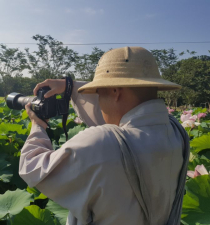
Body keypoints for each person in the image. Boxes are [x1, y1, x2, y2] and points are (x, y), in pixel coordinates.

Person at [19, 46, 188, 225]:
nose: (98, 102)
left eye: (98, 93)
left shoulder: (101, 144)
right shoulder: (176, 132)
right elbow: (121, 118)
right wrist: (70, 87)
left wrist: (38, 125)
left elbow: (31, 168)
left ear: (116, 91)